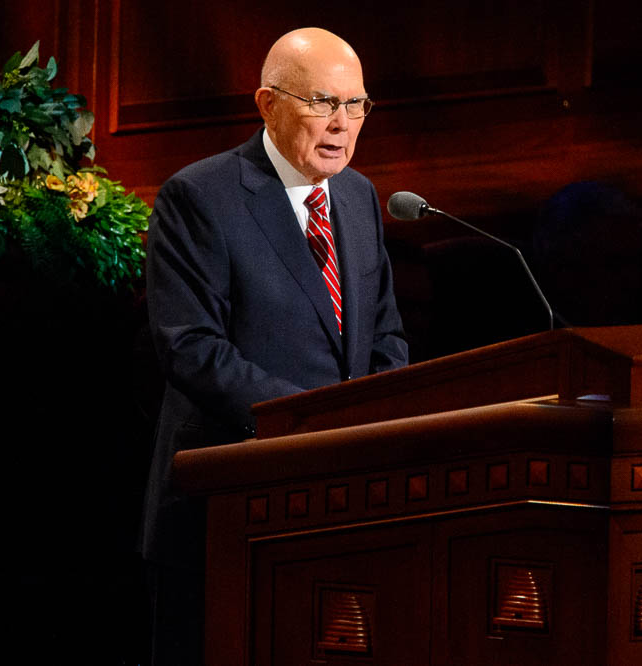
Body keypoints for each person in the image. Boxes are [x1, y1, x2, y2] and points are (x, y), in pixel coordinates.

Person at [141, 27, 409, 663]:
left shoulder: (357, 194)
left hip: (341, 504)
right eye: (322, 103)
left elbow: (385, 334)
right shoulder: (200, 197)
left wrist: (375, 423)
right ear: (266, 103)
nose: (342, 124)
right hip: (228, 507)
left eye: (356, 105)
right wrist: (311, 425)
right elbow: (191, 349)